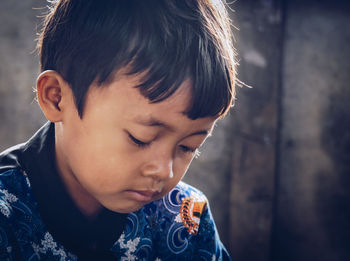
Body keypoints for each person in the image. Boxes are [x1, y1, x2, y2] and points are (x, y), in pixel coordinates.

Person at [0, 0, 236, 260]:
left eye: (188, 147)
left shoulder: (186, 219)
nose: (164, 171)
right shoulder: (6, 215)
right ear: (57, 98)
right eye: (140, 138)